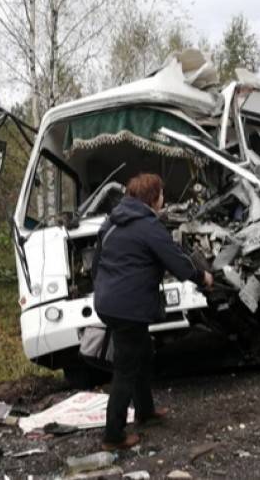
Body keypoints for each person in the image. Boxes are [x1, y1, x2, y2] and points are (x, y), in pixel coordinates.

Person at [94, 173, 213, 451]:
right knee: (125, 367)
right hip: (127, 307)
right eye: (161, 194)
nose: (164, 199)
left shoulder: (112, 221)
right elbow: (177, 262)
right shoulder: (148, 226)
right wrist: (202, 278)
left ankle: (145, 411)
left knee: (141, 352)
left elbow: (97, 261)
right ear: (152, 197)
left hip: (109, 302)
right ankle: (114, 435)